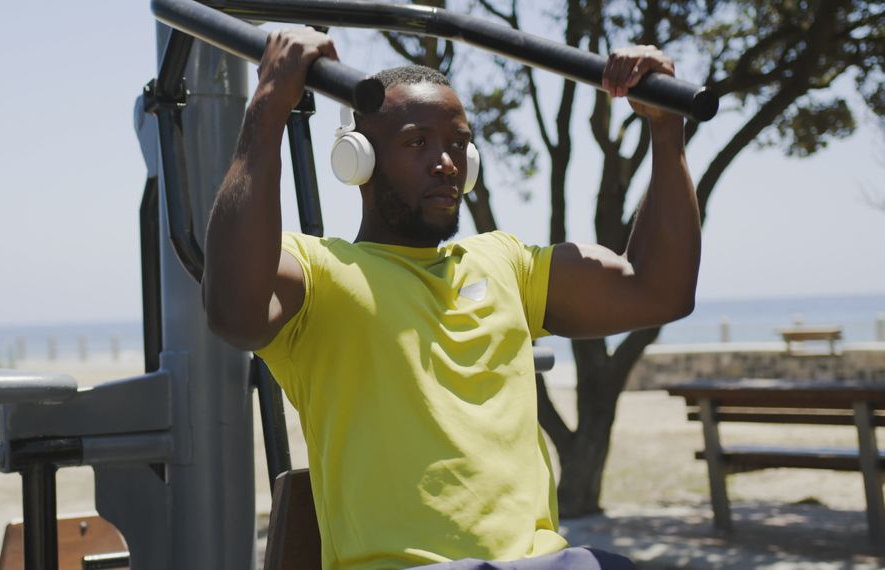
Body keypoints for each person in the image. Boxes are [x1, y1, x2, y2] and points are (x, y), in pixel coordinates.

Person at [203, 28, 699, 570]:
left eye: (458, 144)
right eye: (418, 143)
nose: (447, 163)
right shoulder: (318, 271)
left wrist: (664, 129)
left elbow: (659, 290)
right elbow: (233, 308)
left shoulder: (506, 262)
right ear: (358, 160)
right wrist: (271, 101)